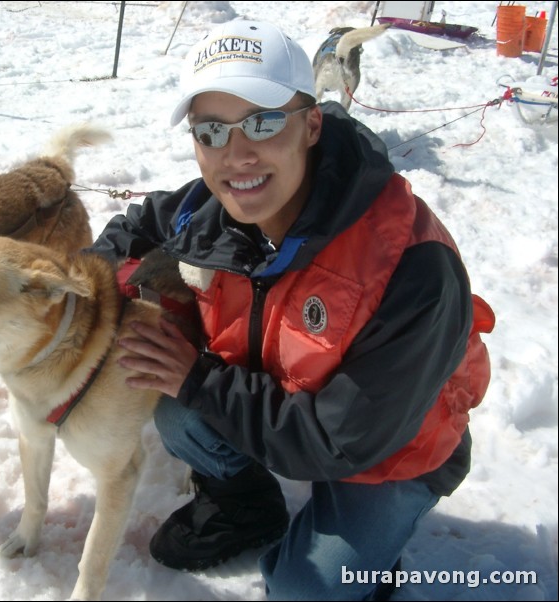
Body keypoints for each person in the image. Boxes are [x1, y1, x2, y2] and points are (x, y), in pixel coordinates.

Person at [91, 19, 495, 601]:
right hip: (285, 398)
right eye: (211, 131)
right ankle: (246, 508)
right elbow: (131, 232)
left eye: (261, 122)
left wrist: (199, 378)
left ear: (310, 126)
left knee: (307, 588)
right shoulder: (208, 207)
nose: (236, 155)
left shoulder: (410, 266)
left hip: (389, 450)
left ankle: (369, 563)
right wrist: (73, 288)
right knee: (177, 412)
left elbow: (340, 442)